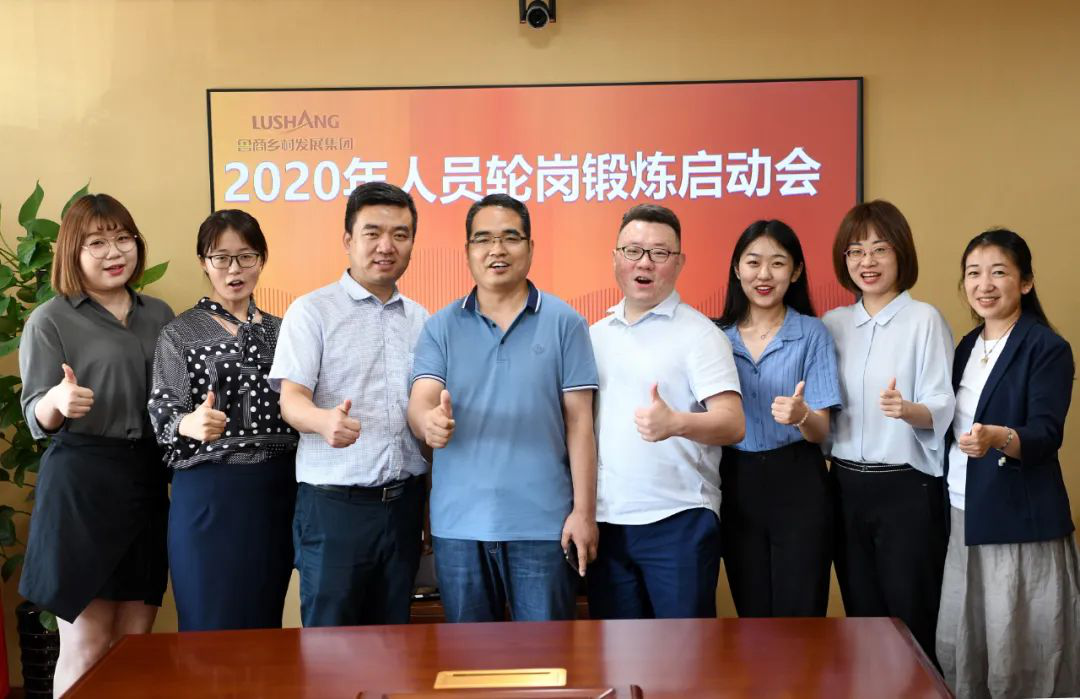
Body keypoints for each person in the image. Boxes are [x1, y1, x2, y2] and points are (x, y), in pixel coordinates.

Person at [407, 193, 599, 623]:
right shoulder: (440, 327)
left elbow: (580, 424)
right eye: (484, 239)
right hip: (459, 526)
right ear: (468, 251)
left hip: (544, 525)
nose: (497, 249)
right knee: (469, 660)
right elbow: (421, 399)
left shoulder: (565, 322)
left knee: (547, 657)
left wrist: (584, 513)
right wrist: (428, 422)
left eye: (510, 238)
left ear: (530, 247)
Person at [18, 194, 173, 696]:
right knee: (85, 644)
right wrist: (57, 400)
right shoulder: (50, 319)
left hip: (146, 482)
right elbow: (34, 412)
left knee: (135, 642)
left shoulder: (159, 314)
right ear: (72, 251)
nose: (115, 252)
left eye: (123, 239)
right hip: (82, 486)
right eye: (98, 243)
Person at [268, 182, 429, 627]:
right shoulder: (312, 311)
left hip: (403, 505)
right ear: (347, 240)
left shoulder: (422, 320)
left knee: (395, 641)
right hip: (334, 508)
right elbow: (291, 401)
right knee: (331, 644)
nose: (386, 246)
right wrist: (323, 421)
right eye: (372, 233)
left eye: (400, 234)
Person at [936, 229, 1080, 698]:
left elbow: (1045, 434)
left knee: (1020, 652)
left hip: (1018, 522)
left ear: (1026, 282)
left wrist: (998, 437)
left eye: (998, 272)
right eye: (973, 273)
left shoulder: (1046, 347)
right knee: (963, 643)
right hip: (964, 511)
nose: (984, 284)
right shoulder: (966, 346)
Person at [587, 204, 743, 620]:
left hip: (678, 520)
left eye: (659, 253)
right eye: (633, 250)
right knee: (617, 652)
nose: (644, 263)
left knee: (683, 652)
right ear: (615, 258)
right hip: (607, 522)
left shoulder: (701, 335)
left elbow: (733, 423)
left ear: (679, 262)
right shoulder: (594, 336)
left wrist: (677, 423)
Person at [148, 209, 298, 631]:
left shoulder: (285, 331)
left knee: (264, 624)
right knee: (208, 626)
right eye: (221, 258)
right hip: (209, 492)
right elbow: (162, 409)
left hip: (275, 493)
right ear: (203, 262)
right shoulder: (179, 333)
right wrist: (189, 423)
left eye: (246, 257)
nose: (235, 269)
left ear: (262, 259)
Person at [822, 199, 954, 662]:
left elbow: (943, 403)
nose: (868, 261)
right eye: (856, 251)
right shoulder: (833, 325)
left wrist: (909, 409)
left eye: (880, 249)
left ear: (901, 253)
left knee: (912, 616)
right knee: (863, 617)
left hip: (906, 490)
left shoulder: (925, 320)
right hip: (844, 487)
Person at [716, 219, 840, 617]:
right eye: (753, 262)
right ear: (737, 269)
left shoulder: (812, 333)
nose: (764, 275)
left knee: (801, 613)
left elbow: (821, 430)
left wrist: (803, 415)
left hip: (798, 479)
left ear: (796, 271)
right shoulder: (716, 337)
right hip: (736, 479)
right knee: (751, 613)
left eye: (778, 263)